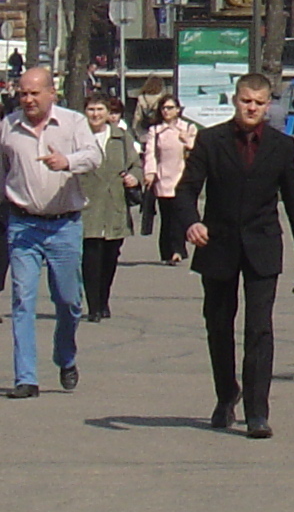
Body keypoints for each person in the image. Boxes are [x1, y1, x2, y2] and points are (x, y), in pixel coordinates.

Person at [172, 73, 294, 439]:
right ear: (234, 101)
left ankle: (257, 412)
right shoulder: (211, 140)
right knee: (219, 327)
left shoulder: (281, 146)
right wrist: (191, 223)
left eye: (258, 102)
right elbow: (186, 190)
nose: (251, 108)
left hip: (263, 246)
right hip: (217, 246)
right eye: (245, 101)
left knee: (259, 329)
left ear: (268, 105)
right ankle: (226, 396)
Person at [4, 66, 101, 396]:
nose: (28, 99)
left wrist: (67, 162)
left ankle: (65, 355)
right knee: (22, 301)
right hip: (23, 225)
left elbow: (94, 156)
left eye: (34, 93)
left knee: (68, 301)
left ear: (51, 94)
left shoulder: (73, 123)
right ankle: (26, 378)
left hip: (64, 225)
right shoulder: (9, 127)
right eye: (23, 94)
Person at [80, 93, 140, 322]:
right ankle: (93, 305)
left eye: (100, 110)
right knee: (91, 257)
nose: (95, 115)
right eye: (91, 110)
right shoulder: (78, 137)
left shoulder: (120, 137)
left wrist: (135, 177)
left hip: (115, 204)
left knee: (110, 257)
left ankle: (103, 299)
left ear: (108, 113)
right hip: (88, 205)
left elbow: (136, 164)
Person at [139, 95, 198, 263]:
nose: (166, 111)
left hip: (183, 179)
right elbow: (150, 153)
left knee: (180, 216)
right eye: (164, 108)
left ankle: (178, 250)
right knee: (167, 217)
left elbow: (196, 150)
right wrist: (149, 172)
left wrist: (187, 140)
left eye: (170, 107)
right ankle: (167, 252)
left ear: (178, 110)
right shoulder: (156, 131)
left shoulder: (188, 128)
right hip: (163, 178)